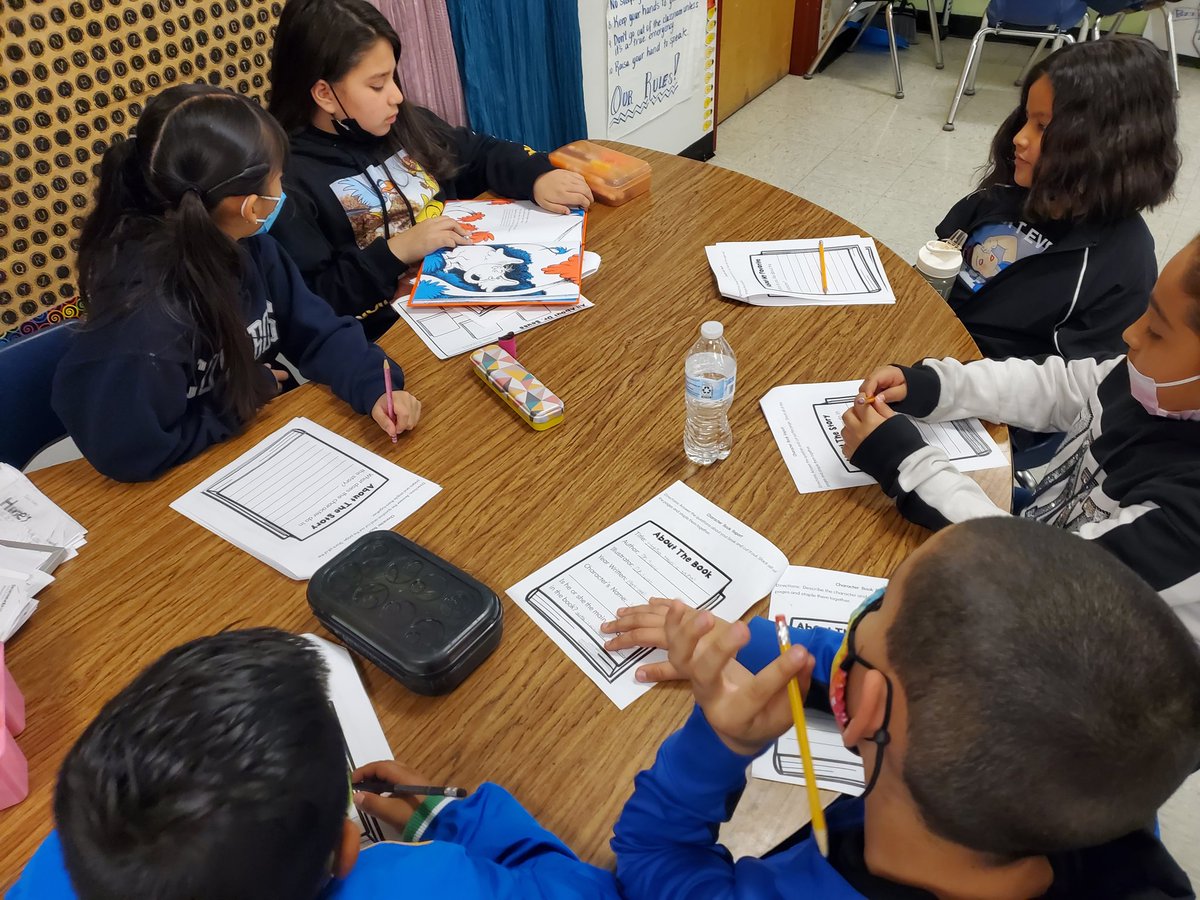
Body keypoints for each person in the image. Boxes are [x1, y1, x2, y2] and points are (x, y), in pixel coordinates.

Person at [609, 518, 1200, 899]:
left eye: (880, 603)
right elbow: (891, 672)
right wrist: (759, 645)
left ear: (863, 709)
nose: (864, 609)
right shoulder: (1106, 790)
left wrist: (721, 743)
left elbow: (651, 857)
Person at [6, 628, 619, 899]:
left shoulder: (64, 861)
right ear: (346, 848)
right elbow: (590, 893)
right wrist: (462, 821)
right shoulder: (422, 885)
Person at [52, 84, 420, 483]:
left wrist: (375, 387)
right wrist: (240, 400)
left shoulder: (253, 247)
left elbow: (318, 333)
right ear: (246, 206)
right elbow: (130, 452)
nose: (284, 191)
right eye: (279, 178)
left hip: (255, 445)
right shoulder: (147, 321)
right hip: (178, 483)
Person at [839, 234, 1200, 640]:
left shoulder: (1189, 518)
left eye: (1157, 330)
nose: (1131, 335)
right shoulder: (1158, 378)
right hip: (1036, 541)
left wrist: (905, 462)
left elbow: (1042, 579)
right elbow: (1056, 386)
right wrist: (937, 386)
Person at [267, 0, 593, 339]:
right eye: (377, 85)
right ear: (325, 94)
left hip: (477, 303)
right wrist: (397, 251)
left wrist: (537, 175)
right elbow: (314, 300)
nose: (396, 96)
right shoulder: (287, 183)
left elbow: (480, 152)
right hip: (390, 343)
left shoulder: (402, 124)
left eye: (394, 76)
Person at [935, 37, 1178, 362]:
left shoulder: (1121, 264)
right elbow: (939, 258)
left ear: (1108, 146)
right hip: (927, 342)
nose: (1020, 138)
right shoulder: (1003, 193)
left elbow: (1075, 385)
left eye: (1043, 126)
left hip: (984, 392)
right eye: (1026, 118)